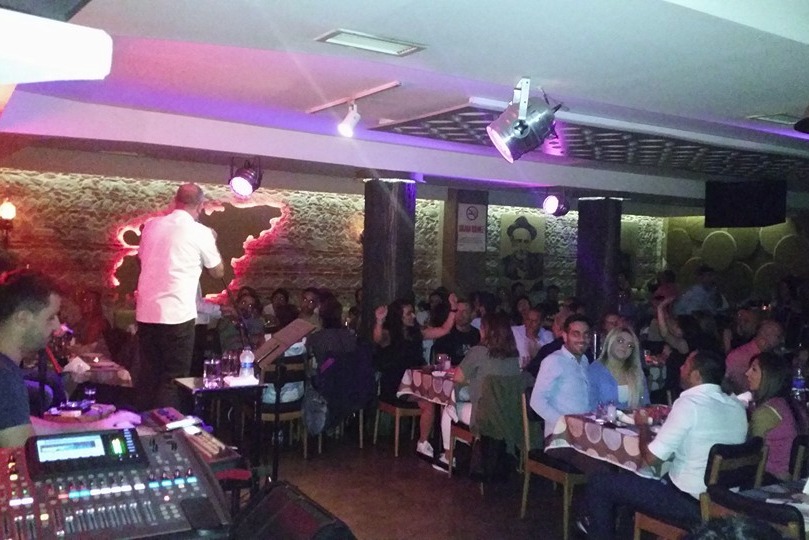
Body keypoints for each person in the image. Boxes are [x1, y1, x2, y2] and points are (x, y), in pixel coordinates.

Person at [585, 349, 748, 539]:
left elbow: (650, 460)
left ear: (696, 375)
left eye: (685, 365)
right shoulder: (737, 407)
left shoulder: (689, 404)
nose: (680, 368)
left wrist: (643, 426)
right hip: (725, 503)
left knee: (600, 483)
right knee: (635, 478)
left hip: (689, 504)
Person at [0, 270, 140, 448]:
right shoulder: (5, 377)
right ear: (23, 319)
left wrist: (98, 427)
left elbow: (22, 427)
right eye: (50, 317)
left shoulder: (6, 370)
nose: (57, 325)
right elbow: (24, 454)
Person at [136, 183, 224, 410]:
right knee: (173, 378)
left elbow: (141, 259)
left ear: (176, 201)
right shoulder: (200, 232)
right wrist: (212, 241)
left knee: (149, 376)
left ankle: (144, 425)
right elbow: (218, 272)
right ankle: (166, 427)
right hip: (177, 315)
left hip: (146, 313)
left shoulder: (151, 226)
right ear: (201, 206)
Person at [373, 294, 458, 458]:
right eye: (408, 313)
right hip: (395, 385)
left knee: (437, 398)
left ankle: (437, 445)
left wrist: (453, 309)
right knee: (428, 403)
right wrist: (379, 320)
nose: (413, 316)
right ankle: (423, 444)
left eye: (412, 312)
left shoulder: (416, 333)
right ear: (399, 317)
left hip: (416, 384)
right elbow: (377, 338)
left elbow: (444, 330)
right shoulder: (389, 334)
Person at [438, 312, 522, 465]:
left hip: (485, 415)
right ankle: (467, 447)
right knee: (463, 397)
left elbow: (457, 377)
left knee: (448, 409)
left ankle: (448, 457)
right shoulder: (514, 356)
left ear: (485, 331)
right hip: (508, 414)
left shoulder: (478, 352)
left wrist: (472, 379)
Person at [745, 352, 808, 481]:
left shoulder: (766, 412)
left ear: (770, 377)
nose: (747, 373)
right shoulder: (795, 406)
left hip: (771, 480)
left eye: (754, 369)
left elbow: (751, 455)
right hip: (796, 478)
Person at [530, 314, 593, 438]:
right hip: (560, 436)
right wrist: (565, 424)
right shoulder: (554, 361)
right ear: (564, 336)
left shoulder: (584, 360)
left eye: (586, 335)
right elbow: (536, 401)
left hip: (583, 433)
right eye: (576, 334)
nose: (582, 339)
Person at [588, 326, 650, 411]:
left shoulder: (637, 373)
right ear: (610, 342)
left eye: (630, 345)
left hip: (633, 419)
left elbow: (646, 405)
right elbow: (591, 406)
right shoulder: (595, 370)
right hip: (604, 419)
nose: (624, 346)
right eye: (620, 341)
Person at [725, 320, 784, 396]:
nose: (779, 341)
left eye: (777, 336)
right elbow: (738, 387)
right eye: (776, 336)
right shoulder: (739, 355)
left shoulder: (774, 358)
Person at [432, 299, 480, 366]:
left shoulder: (476, 334)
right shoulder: (446, 334)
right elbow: (438, 357)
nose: (460, 315)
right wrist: (441, 358)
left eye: (464, 311)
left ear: (472, 314)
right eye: (457, 311)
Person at [501, 216, 543, 281]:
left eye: (526, 242)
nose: (522, 246)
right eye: (518, 241)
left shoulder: (537, 261)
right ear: (512, 241)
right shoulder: (505, 262)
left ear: (530, 243)